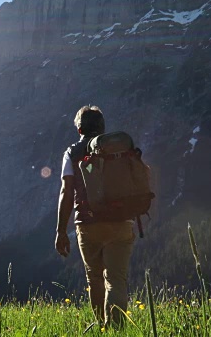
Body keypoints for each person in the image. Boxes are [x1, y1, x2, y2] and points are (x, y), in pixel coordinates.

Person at [55, 105, 136, 326]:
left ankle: (102, 327)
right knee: (116, 280)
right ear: (103, 127)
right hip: (121, 222)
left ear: (79, 130)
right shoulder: (118, 148)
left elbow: (66, 192)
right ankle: (118, 329)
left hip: (88, 224)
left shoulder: (72, 152)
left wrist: (61, 230)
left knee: (96, 280)